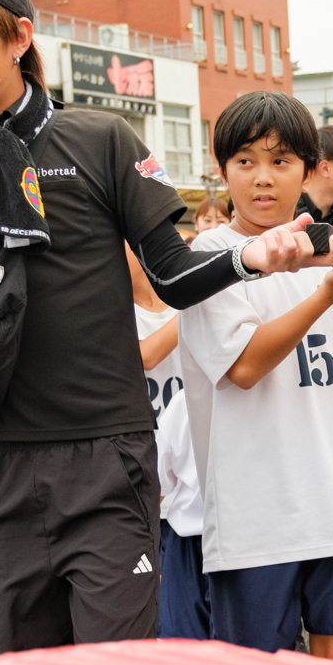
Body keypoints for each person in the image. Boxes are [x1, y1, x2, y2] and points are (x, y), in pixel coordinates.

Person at [0, 0, 327, 659]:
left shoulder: (100, 138)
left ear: (18, 37)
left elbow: (172, 275)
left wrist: (248, 258)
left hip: (107, 457)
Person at [181, 92, 333, 659]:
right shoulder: (211, 254)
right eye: (245, 161)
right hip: (256, 513)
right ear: (222, 170)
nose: (263, 177)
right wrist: (327, 293)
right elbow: (245, 367)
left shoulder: (328, 251)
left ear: (308, 170)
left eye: (280, 161)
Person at [131, 246, 209, 642]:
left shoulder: (183, 300)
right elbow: (144, 355)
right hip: (141, 466)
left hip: (192, 464)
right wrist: (201, 307)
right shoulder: (109, 305)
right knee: (151, 607)